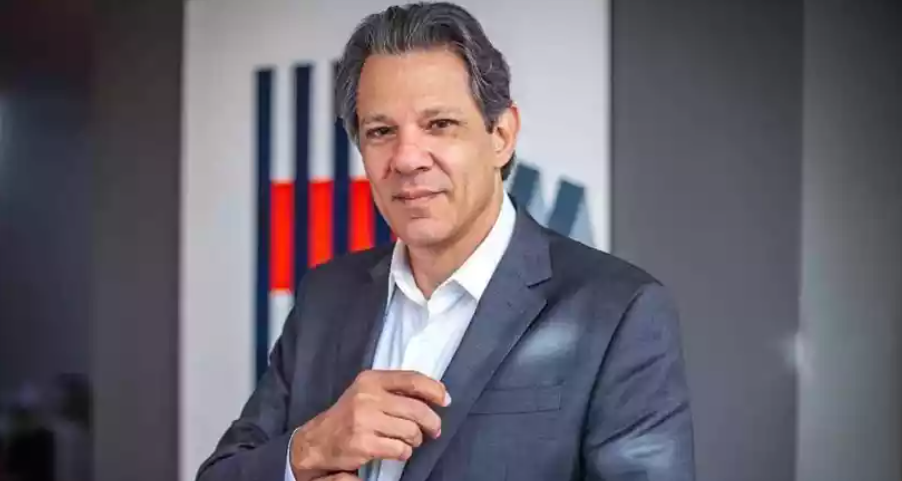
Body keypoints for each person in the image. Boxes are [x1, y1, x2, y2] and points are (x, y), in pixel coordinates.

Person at [197, 3, 694, 481]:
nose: (407, 158)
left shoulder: (618, 311)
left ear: (501, 135)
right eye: (381, 131)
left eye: (439, 125)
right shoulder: (325, 296)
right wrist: (311, 447)